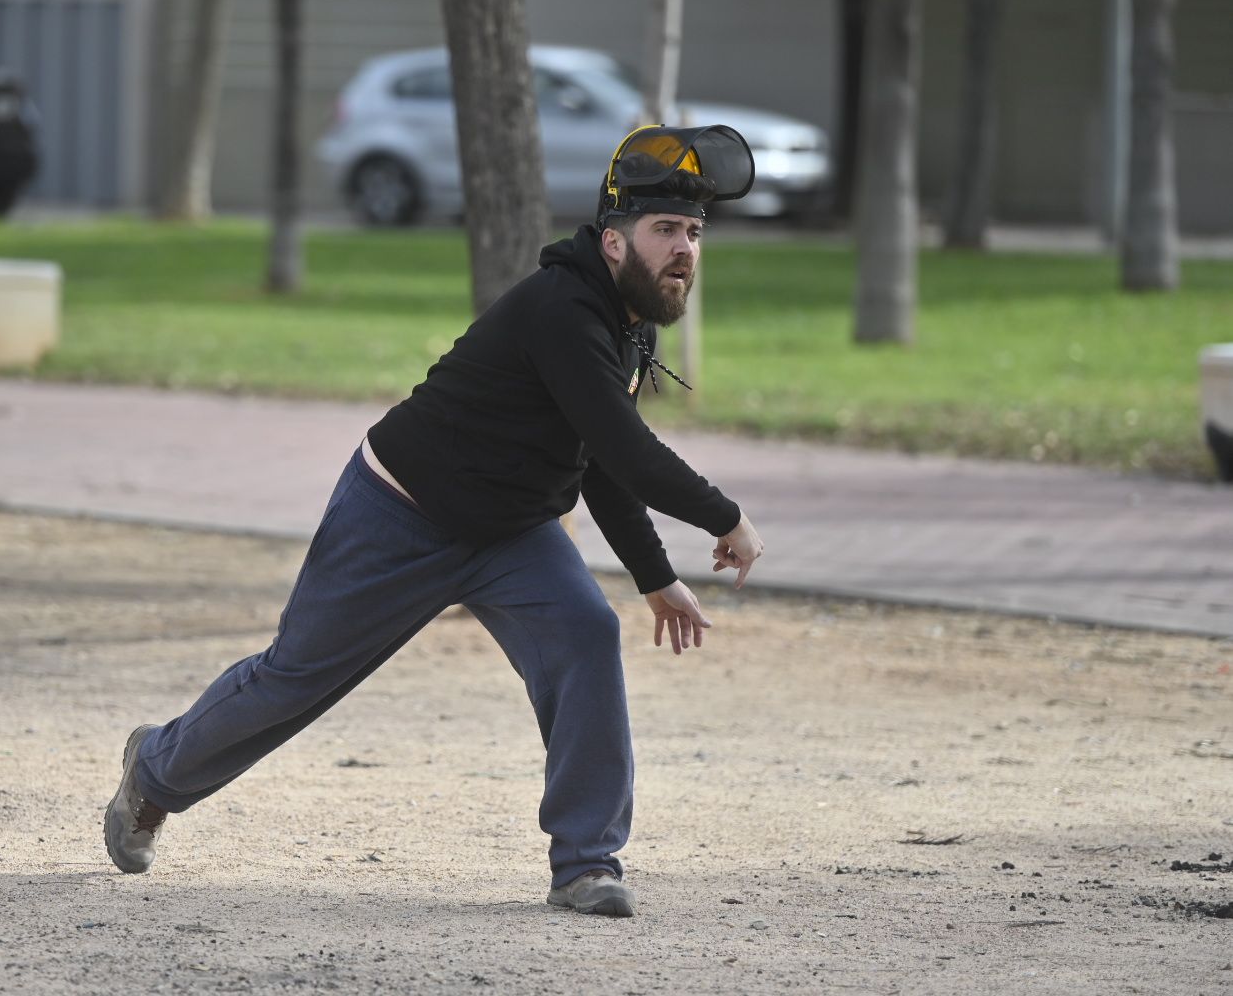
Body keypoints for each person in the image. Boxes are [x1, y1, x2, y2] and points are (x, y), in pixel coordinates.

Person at [104, 124, 766, 918]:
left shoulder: (626, 322)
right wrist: (724, 517)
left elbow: (598, 457)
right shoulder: (563, 309)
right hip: (400, 513)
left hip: (512, 534)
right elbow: (628, 448)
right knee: (296, 679)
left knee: (586, 631)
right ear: (614, 240)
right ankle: (156, 771)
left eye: (693, 233)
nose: (685, 249)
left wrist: (654, 577)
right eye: (666, 230)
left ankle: (587, 864)